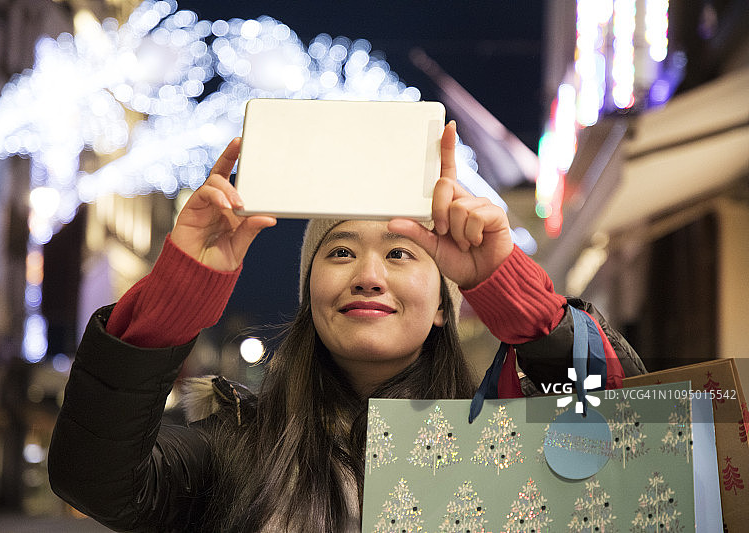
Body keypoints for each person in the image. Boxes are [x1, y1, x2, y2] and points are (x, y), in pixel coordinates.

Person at [48, 122, 645, 532]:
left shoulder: (507, 437)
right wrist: (178, 292)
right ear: (310, 295)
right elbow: (95, 480)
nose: (368, 276)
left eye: (400, 253)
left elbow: (628, 444)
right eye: (339, 252)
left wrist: (506, 282)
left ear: (445, 304)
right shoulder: (235, 445)